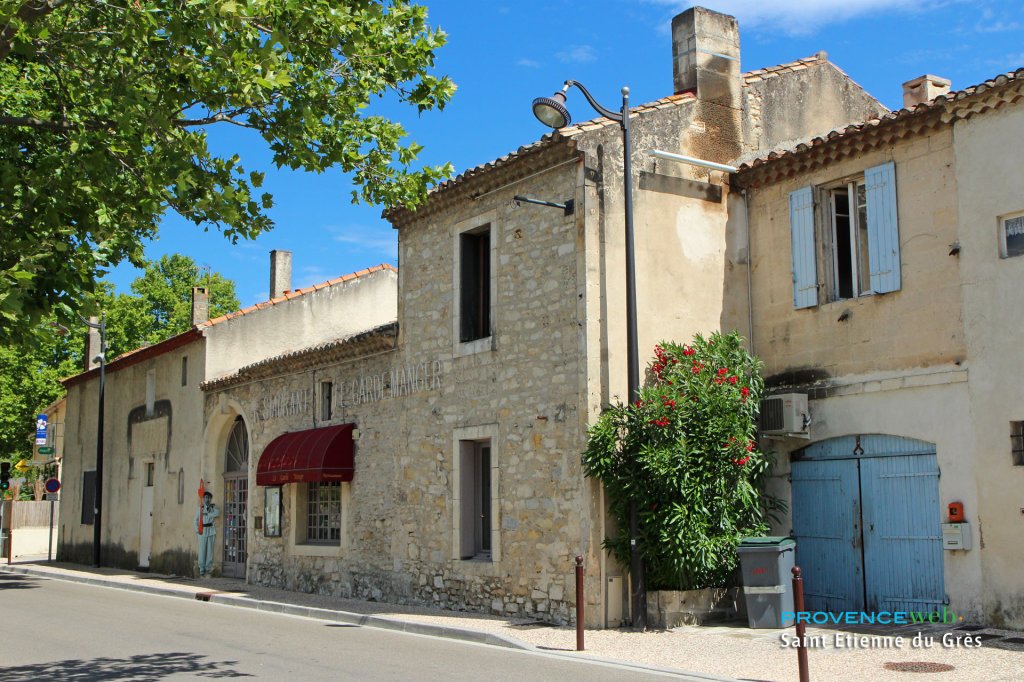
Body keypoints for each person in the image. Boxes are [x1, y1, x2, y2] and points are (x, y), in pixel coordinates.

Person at [194, 491, 220, 577]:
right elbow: (196, 520)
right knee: (202, 550)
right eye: (206, 498)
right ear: (204, 499)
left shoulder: (213, 508)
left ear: (210, 499)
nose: (207, 499)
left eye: (209, 498)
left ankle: (208, 568)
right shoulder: (200, 509)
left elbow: (217, 513)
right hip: (202, 530)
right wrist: (197, 529)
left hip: (211, 530)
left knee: (210, 551)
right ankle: (201, 568)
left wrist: (208, 512)